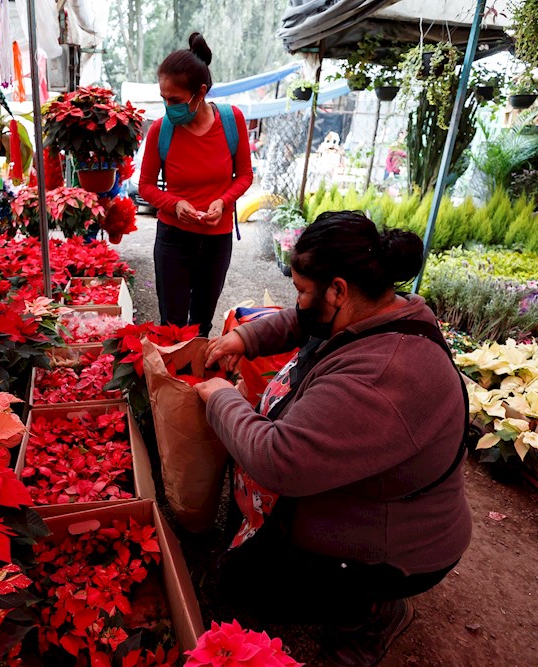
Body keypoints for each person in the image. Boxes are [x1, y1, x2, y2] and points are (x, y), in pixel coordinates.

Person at [194, 211, 472, 667]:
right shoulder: (376, 309)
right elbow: (301, 321)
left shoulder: (384, 375)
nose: (298, 302)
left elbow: (277, 459)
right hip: (360, 501)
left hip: (395, 549)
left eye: (304, 291)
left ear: (339, 289)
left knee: (250, 593)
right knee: (240, 574)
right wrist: (244, 338)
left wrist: (221, 398)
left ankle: (372, 612)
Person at [139, 32, 254, 337]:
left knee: (201, 323)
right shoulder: (161, 130)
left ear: (200, 92)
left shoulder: (232, 121)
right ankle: (172, 381)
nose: (168, 106)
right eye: (163, 99)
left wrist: (224, 201)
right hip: (173, 239)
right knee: (172, 326)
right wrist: (174, 203)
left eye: (175, 100)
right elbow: (146, 186)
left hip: (217, 240)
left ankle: (196, 381)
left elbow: (245, 175)